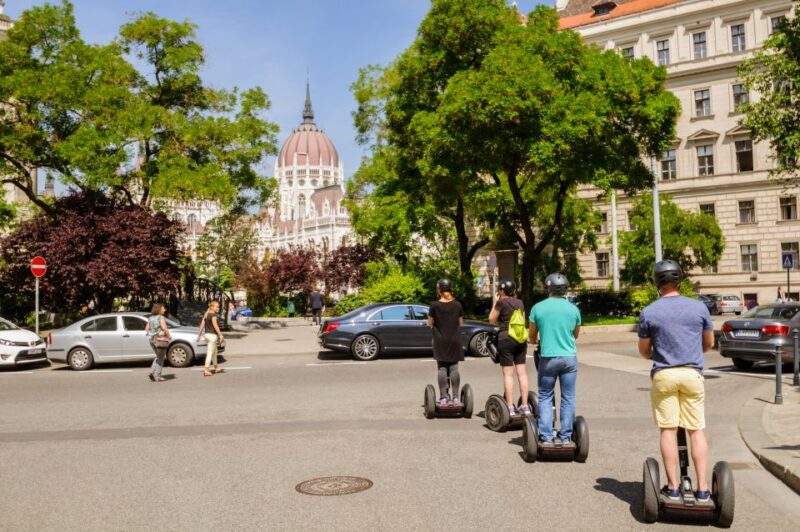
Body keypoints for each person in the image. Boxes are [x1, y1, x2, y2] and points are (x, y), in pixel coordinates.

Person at [638, 260, 714, 502]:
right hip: (692, 374)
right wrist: (690, 352)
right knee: (696, 430)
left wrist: (659, 352)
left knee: (668, 430)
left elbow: (644, 350)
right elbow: (709, 344)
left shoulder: (649, 311)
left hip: (664, 375)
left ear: (656, 282)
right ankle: (702, 489)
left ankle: (672, 487)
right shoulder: (699, 307)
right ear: (679, 280)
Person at [529, 273, 581, 447]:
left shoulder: (538, 308)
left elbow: (531, 336)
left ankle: (546, 436)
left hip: (548, 358)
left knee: (545, 395)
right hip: (569, 358)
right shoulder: (573, 309)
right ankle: (566, 437)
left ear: (548, 287)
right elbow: (575, 334)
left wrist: (536, 340)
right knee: (568, 397)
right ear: (565, 288)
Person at [488, 280, 531, 416]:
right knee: (522, 373)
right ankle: (525, 405)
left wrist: (495, 301)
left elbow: (491, 320)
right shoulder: (520, 303)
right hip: (520, 338)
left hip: (506, 338)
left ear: (501, 291)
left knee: (508, 374)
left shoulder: (501, 303)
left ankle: (510, 407)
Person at [427, 278, 465, 406]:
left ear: (439, 290)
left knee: (442, 368)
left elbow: (430, 323)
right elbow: (460, 323)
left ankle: (443, 397)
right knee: (454, 368)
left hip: (440, 340)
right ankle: (455, 398)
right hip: (454, 339)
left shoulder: (434, 305)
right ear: (451, 290)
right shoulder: (458, 305)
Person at [145, 302, 172, 382]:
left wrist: (153, 331)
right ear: (159, 309)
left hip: (151, 339)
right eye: (163, 308)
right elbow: (164, 328)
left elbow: (146, 328)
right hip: (160, 339)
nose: (165, 309)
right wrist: (168, 336)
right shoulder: (161, 317)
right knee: (161, 358)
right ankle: (157, 375)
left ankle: (152, 372)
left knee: (158, 356)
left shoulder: (150, 318)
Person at [197, 300, 224, 377]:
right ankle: (206, 370)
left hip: (207, 335)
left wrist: (198, 336)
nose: (218, 308)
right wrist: (220, 335)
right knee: (210, 353)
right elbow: (216, 326)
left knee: (214, 352)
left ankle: (216, 367)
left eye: (218, 306)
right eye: (217, 307)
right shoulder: (213, 315)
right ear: (212, 307)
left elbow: (202, 325)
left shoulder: (206, 314)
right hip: (212, 336)